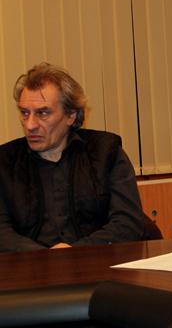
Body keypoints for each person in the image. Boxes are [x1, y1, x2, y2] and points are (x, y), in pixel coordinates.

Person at [0, 63, 144, 252]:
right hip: (29, 265)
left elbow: (128, 223)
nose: (30, 125)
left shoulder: (105, 152)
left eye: (42, 113)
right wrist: (45, 258)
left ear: (71, 116)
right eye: (24, 113)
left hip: (97, 261)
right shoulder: (5, 161)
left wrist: (74, 252)